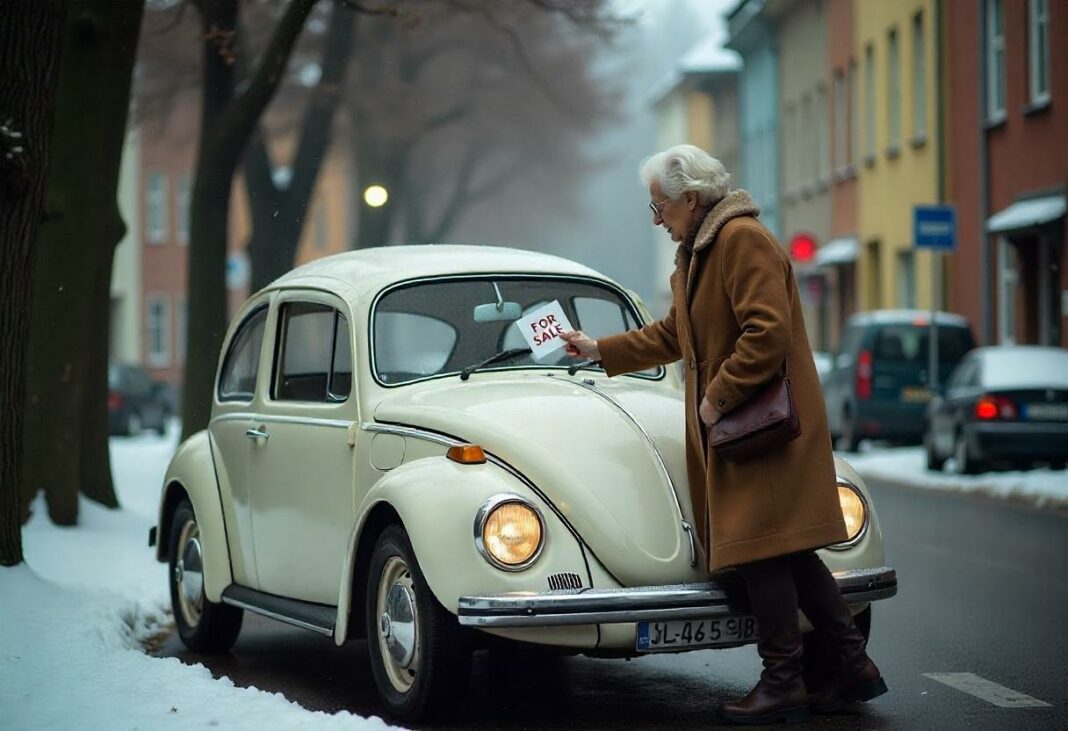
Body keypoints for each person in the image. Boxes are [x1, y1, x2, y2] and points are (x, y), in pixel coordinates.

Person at [561, 144, 886, 725]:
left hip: (759, 429)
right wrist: (598, 349)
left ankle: (784, 677)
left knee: (760, 550)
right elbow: (673, 335)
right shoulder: (700, 251)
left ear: (690, 198)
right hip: (748, 429)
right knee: (789, 550)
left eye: (659, 206)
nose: (656, 219)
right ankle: (849, 666)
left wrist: (717, 397)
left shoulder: (739, 240)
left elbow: (767, 333)